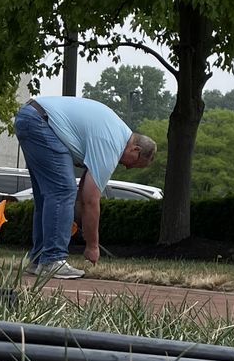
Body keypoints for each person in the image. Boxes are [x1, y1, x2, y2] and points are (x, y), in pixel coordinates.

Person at [12, 95, 157, 279]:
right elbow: (90, 200)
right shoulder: (113, 143)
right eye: (133, 164)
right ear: (135, 150)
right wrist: (93, 246)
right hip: (41, 122)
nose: (127, 167)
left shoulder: (114, 130)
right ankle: (52, 260)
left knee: (46, 195)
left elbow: (84, 192)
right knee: (62, 190)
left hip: (29, 116)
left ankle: (39, 259)